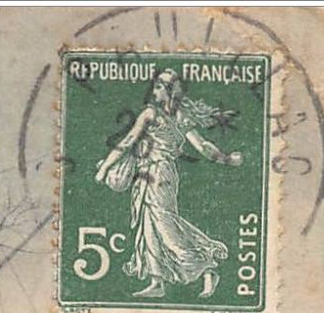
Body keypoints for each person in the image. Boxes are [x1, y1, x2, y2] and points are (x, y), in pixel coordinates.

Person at [94, 69, 244, 299]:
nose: (154, 91)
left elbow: (128, 142)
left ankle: (205, 268)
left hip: (160, 173)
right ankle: (157, 282)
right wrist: (225, 158)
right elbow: (200, 145)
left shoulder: (155, 115)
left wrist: (105, 168)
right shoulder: (167, 115)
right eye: (155, 86)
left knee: (164, 224)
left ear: (169, 90)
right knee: (149, 224)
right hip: (149, 174)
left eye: (158, 86)